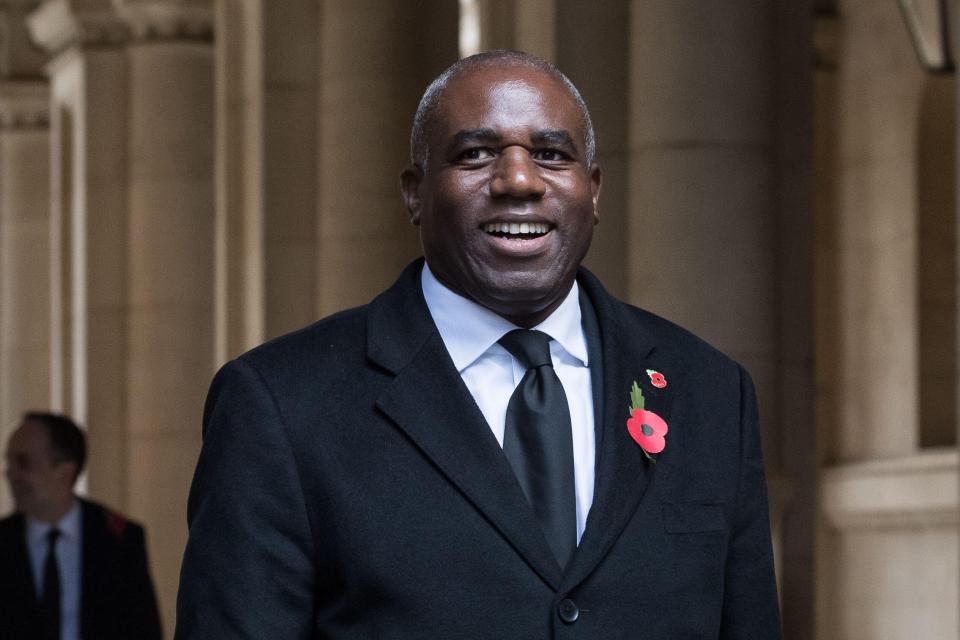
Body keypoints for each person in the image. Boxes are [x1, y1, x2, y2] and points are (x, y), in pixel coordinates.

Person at [176, 50, 782, 639]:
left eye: (549, 154)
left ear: (593, 190)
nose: (518, 180)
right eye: (475, 154)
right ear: (415, 193)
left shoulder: (709, 391)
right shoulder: (281, 403)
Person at [0, 412, 163, 640]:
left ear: (65, 472)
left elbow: (143, 629)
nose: (10, 475)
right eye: (9, 463)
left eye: (24, 463)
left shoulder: (120, 540)